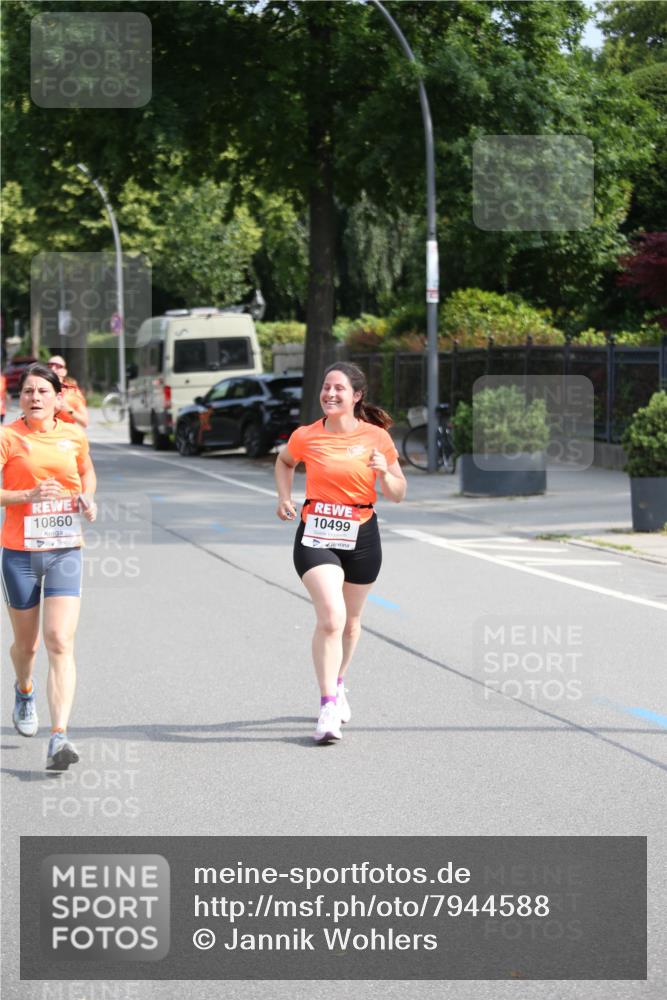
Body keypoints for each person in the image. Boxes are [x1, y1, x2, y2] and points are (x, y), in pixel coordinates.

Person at [275, 362, 406, 744]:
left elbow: (399, 493)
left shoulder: (377, 438)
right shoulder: (306, 436)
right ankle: (328, 704)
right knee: (331, 618)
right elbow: (285, 461)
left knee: (350, 623)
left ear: (357, 396)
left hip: (362, 534)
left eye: (339, 389)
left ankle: (340, 680)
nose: (330, 394)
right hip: (316, 533)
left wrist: (385, 473)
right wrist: (284, 497)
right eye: (326, 387)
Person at [1, 363, 97, 770]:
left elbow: (87, 472)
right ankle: (24, 690)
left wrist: (88, 498)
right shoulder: (7, 436)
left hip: (63, 550)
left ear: (60, 398)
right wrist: (29, 495)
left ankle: (59, 737)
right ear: (18, 398)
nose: (35, 397)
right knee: (29, 646)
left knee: (59, 639)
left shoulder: (73, 435)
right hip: (19, 553)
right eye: (27, 392)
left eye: (42, 391)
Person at [47, 355, 89, 428]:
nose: (53, 368)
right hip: (43, 435)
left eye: (58, 366)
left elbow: (84, 422)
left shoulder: (72, 392)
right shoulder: (38, 390)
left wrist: (68, 409)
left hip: (65, 435)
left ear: (64, 372)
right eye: (49, 366)